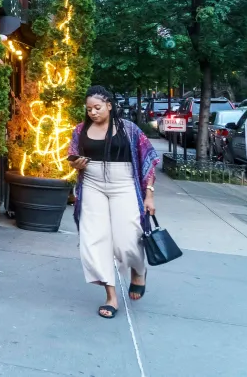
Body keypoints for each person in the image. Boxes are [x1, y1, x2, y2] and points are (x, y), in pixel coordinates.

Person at [67, 85, 159, 319]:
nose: (93, 113)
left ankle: (139, 269)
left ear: (109, 105)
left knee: (128, 239)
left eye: (97, 108)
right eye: (89, 109)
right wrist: (75, 164)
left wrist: (149, 194)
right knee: (94, 240)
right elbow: (72, 155)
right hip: (92, 185)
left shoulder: (129, 130)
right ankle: (111, 296)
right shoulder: (80, 130)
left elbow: (148, 158)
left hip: (124, 185)